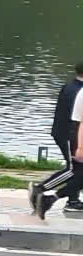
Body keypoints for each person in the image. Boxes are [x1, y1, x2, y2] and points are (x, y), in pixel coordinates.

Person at [33, 61, 83, 219]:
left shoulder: (71, 87)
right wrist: (78, 145)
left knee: (78, 171)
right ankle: (41, 190)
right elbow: (78, 120)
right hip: (70, 134)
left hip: (67, 133)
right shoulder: (78, 91)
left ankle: (69, 200)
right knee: (72, 170)